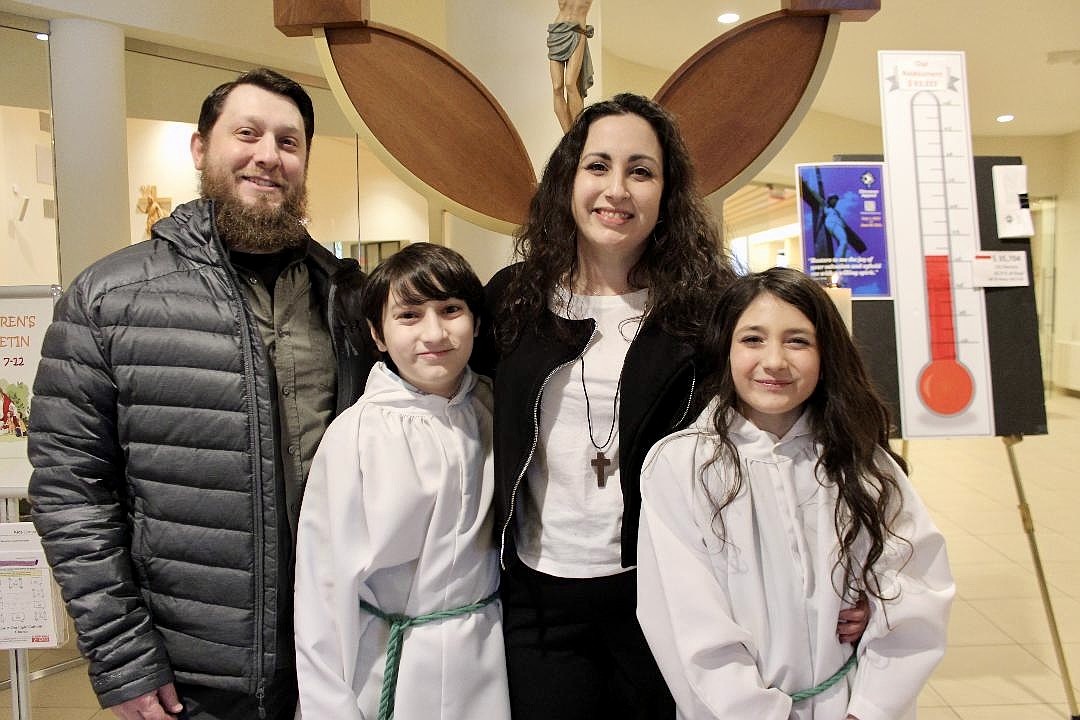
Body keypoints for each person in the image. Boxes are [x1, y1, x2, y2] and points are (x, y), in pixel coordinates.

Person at [476, 93, 867, 720]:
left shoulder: (710, 309)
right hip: (538, 593)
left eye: (641, 170)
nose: (617, 189)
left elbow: (806, 427)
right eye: (598, 166)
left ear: (667, 192)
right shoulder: (513, 300)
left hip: (664, 590)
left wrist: (861, 569)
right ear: (568, 179)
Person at [27, 68, 373, 720]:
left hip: (336, 662)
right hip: (190, 680)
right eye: (247, 133)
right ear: (200, 149)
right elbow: (70, 491)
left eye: (289, 141)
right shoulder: (110, 296)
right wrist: (122, 654)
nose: (268, 155)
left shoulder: (350, 299)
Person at [637, 267, 955, 719]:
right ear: (725, 348)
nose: (774, 361)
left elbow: (918, 585)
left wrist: (869, 697)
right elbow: (684, 621)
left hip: (851, 705)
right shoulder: (683, 466)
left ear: (827, 353)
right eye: (752, 339)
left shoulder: (862, 462)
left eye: (797, 340)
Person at [294, 242, 510, 720]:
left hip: (486, 653)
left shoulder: (497, 410)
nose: (434, 333)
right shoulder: (358, 434)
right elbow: (322, 586)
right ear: (378, 333)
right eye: (409, 315)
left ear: (475, 320)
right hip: (390, 660)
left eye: (451, 310)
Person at [548, 0, 595, 133]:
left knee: (570, 83)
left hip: (577, 30)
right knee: (557, 87)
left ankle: (576, 133)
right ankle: (568, 136)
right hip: (557, 30)